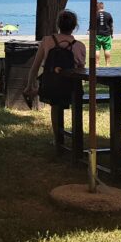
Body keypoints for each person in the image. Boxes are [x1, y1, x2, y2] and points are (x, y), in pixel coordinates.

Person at [23, 10, 87, 145]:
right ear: (75, 26)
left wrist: (29, 85)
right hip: (72, 88)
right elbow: (81, 68)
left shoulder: (47, 41)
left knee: (55, 106)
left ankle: (58, 138)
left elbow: (35, 67)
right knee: (75, 103)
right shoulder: (80, 46)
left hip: (51, 86)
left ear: (58, 24)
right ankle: (76, 138)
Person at [95, 1, 114, 66]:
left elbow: (92, 26)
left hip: (97, 35)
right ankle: (107, 64)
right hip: (107, 35)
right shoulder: (108, 14)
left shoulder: (95, 15)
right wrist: (112, 34)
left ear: (97, 7)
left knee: (97, 49)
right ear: (103, 7)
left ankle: (97, 64)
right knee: (107, 49)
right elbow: (111, 26)